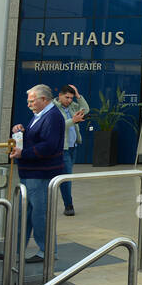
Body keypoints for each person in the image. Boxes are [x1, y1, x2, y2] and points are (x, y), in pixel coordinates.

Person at [0, 84, 66, 264]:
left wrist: (23, 153)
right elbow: (37, 139)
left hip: (41, 174)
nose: (29, 104)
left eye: (32, 101)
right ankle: (15, 251)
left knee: (39, 214)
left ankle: (47, 251)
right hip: (30, 172)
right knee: (22, 214)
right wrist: (21, 132)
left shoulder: (53, 116)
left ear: (44, 99)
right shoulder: (40, 115)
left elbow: (48, 146)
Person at [56, 84, 89, 217]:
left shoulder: (72, 106)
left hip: (72, 147)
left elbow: (85, 109)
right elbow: (57, 125)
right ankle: (69, 205)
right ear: (60, 95)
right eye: (67, 97)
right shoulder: (54, 108)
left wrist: (78, 95)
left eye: (71, 97)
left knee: (66, 177)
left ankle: (67, 204)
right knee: (66, 178)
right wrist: (73, 120)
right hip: (61, 148)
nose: (69, 100)